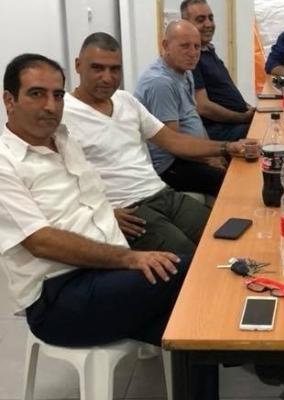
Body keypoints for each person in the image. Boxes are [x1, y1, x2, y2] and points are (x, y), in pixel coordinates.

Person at [0, 53, 218, 399]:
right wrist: (130, 258)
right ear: (9, 100)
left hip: (105, 276)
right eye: (36, 94)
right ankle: (274, 361)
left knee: (197, 331)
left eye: (57, 95)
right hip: (59, 298)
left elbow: (86, 197)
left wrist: (107, 214)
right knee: (195, 272)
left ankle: (266, 356)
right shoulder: (5, 163)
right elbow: (41, 241)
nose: (51, 106)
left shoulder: (63, 138)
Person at [63, 32, 241, 254]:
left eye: (115, 69)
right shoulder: (62, 114)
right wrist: (100, 214)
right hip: (128, 210)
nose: (107, 78)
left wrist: (227, 147)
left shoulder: (125, 100)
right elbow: (58, 180)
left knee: (226, 234)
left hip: (162, 193)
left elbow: (173, 141)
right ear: (78, 66)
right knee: (189, 255)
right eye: (97, 68)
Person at [135, 20, 225, 197]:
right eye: (185, 46)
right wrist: (209, 158)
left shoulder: (186, 72)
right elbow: (174, 145)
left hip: (190, 155)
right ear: (165, 46)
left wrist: (214, 152)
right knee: (230, 183)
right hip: (169, 166)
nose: (193, 53)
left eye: (197, 47)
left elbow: (194, 118)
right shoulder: (160, 83)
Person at [181, 0, 255, 142]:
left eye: (211, 18)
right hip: (219, 131)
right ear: (186, 24)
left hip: (235, 123)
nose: (208, 24)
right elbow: (203, 106)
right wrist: (242, 117)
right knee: (268, 134)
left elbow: (226, 91)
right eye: (200, 20)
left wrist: (248, 108)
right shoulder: (192, 58)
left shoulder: (208, 51)